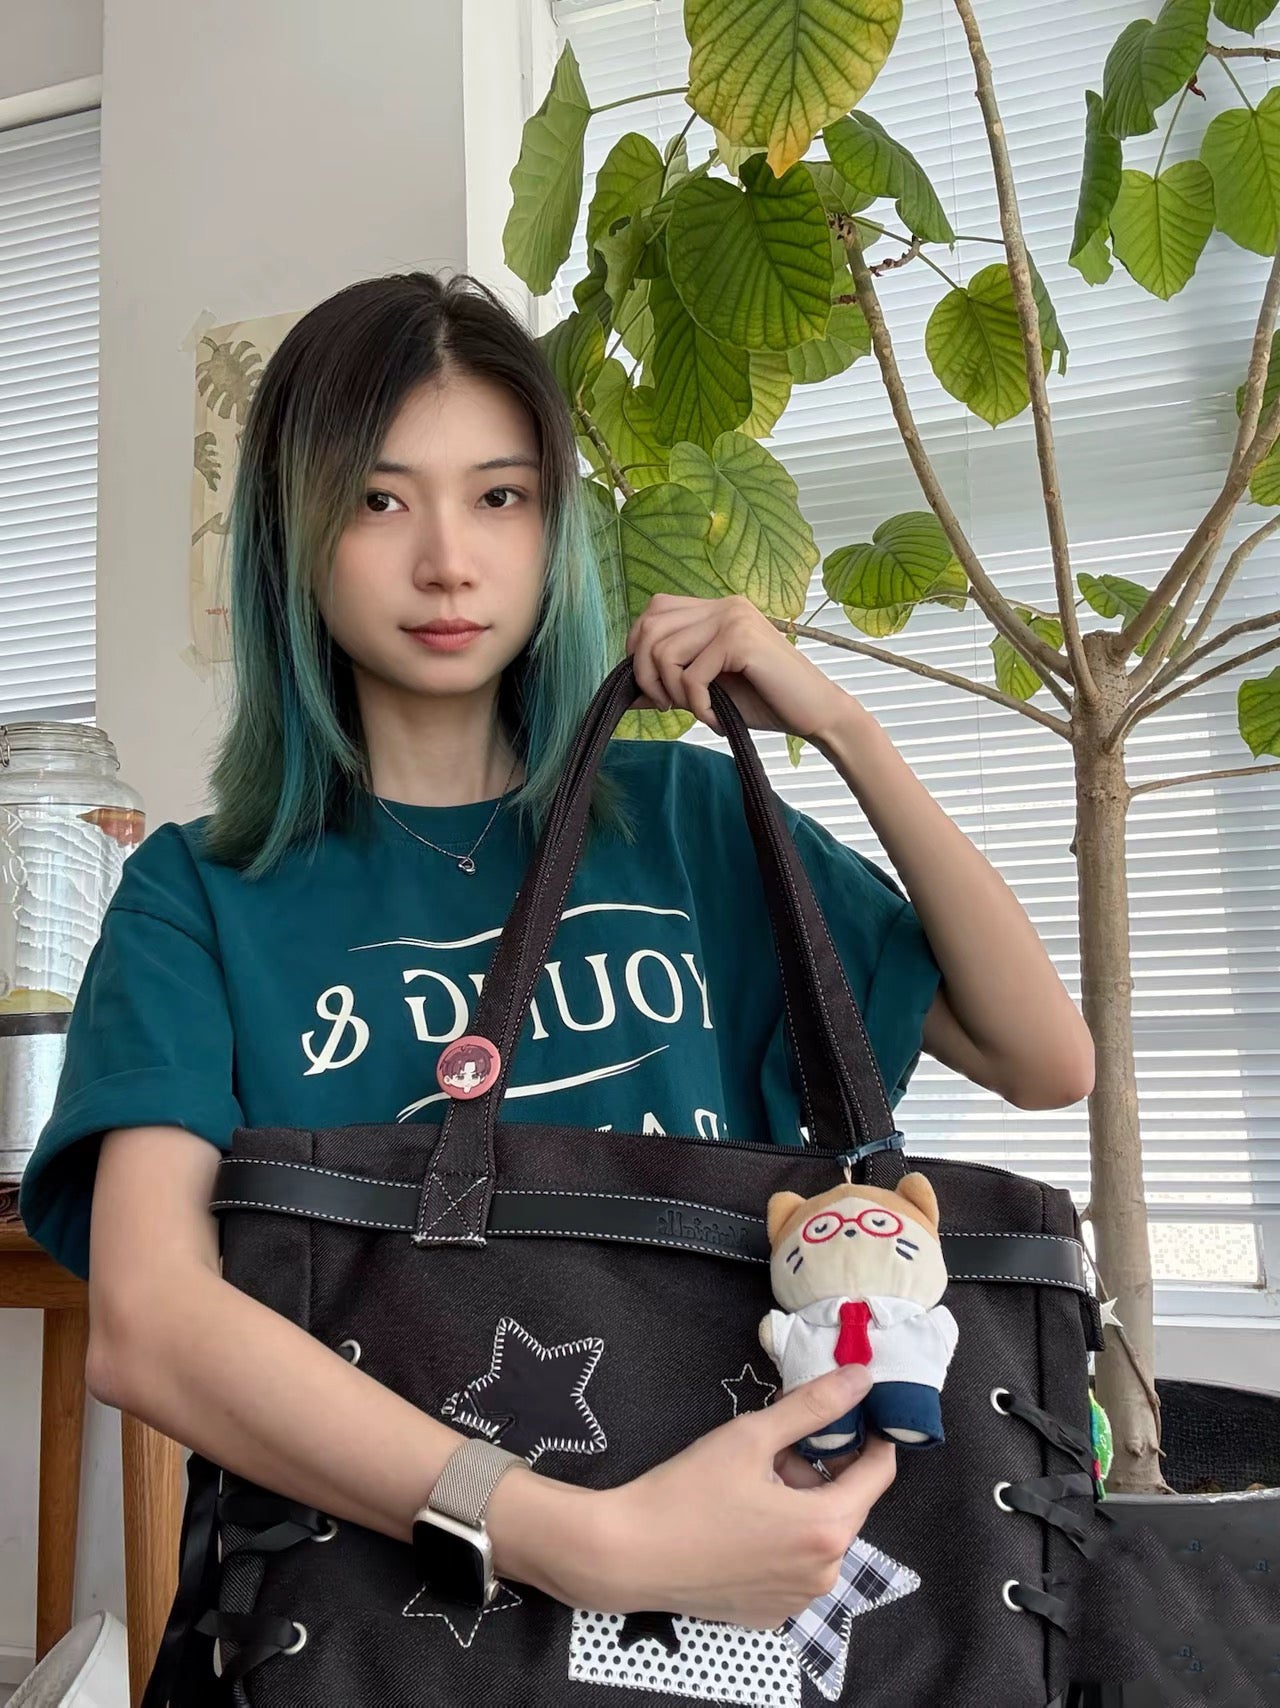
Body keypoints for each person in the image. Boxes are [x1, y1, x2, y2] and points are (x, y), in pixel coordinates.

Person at [19, 271, 1094, 1641]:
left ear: (552, 527)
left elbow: (1042, 1057)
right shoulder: (200, 894)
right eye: (378, 500)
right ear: (291, 531)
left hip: (750, 1577)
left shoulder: (691, 822)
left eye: (500, 497)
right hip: (376, 1631)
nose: (448, 562)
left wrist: (842, 728)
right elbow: (150, 1325)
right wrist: (581, 1542)